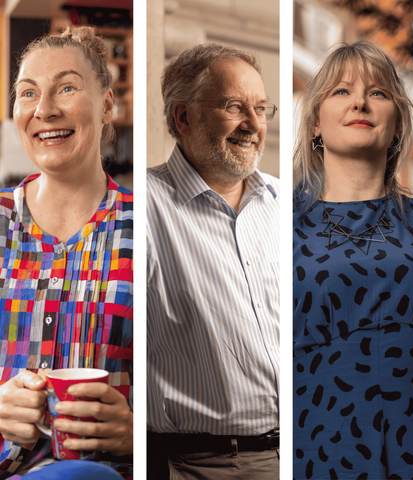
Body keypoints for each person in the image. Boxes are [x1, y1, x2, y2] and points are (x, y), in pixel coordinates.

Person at [0, 27, 133, 478]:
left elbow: (200, 378)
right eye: (28, 93)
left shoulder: (151, 226)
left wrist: (138, 429)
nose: (44, 110)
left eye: (67, 88)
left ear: (107, 104)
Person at [146, 43, 280, 479]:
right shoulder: (141, 207)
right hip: (200, 465)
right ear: (183, 118)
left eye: (262, 108)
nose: (254, 125)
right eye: (234, 107)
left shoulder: (288, 204)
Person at [293, 41, 413, 479]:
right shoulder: (276, 223)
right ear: (315, 121)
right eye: (341, 91)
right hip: (316, 441)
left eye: (378, 92)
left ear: (398, 121)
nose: (360, 102)